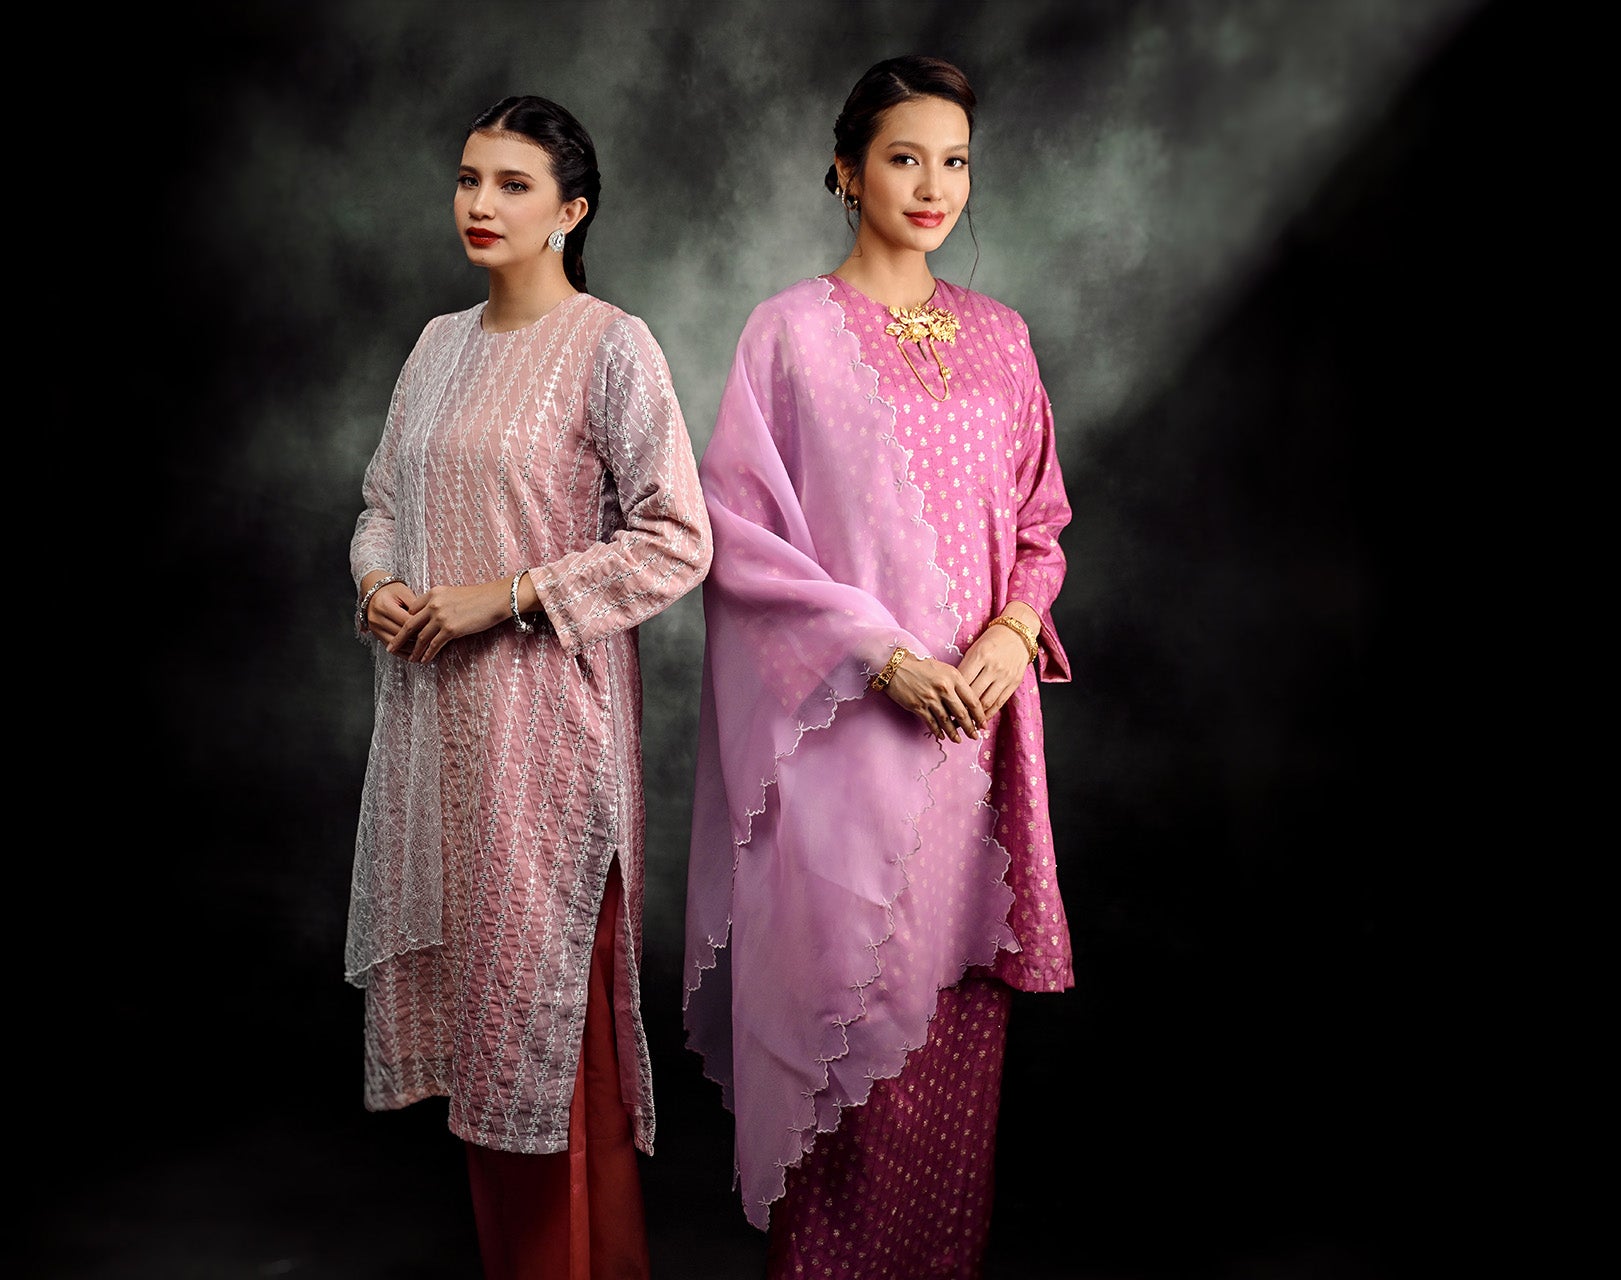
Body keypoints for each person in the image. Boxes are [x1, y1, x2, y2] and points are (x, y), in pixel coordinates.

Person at [683, 56, 1076, 1278]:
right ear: (848, 170)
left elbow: (1041, 523)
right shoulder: (789, 335)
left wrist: (1011, 634)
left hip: (978, 741)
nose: (934, 184)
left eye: (954, 160)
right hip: (846, 736)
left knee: (959, 1025)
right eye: (906, 157)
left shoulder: (1002, 338)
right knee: (846, 1027)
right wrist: (881, 655)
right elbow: (739, 537)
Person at [344, 94, 711, 1280]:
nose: (480, 203)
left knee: (550, 1039)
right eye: (469, 178)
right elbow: (381, 505)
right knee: (480, 1041)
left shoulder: (611, 345)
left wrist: (501, 595)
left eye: (512, 184)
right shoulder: (436, 345)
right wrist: (380, 584)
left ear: (572, 210)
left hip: (548, 744)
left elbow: (677, 538)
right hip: (433, 742)